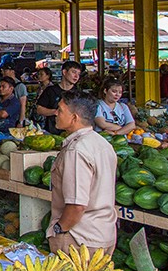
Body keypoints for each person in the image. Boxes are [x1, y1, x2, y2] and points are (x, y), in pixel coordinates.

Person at [47, 92, 118, 254]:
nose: (56, 113)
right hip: (104, 235)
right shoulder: (102, 143)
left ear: (74, 117)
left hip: (79, 240)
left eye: (60, 110)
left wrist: (59, 230)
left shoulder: (76, 150)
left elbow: (77, 205)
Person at [36, 60, 81, 132]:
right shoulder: (50, 91)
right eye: (74, 72)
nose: (76, 76)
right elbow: (39, 109)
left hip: (72, 132)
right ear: (64, 72)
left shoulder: (78, 93)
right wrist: (56, 112)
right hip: (52, 132)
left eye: (78, 74)